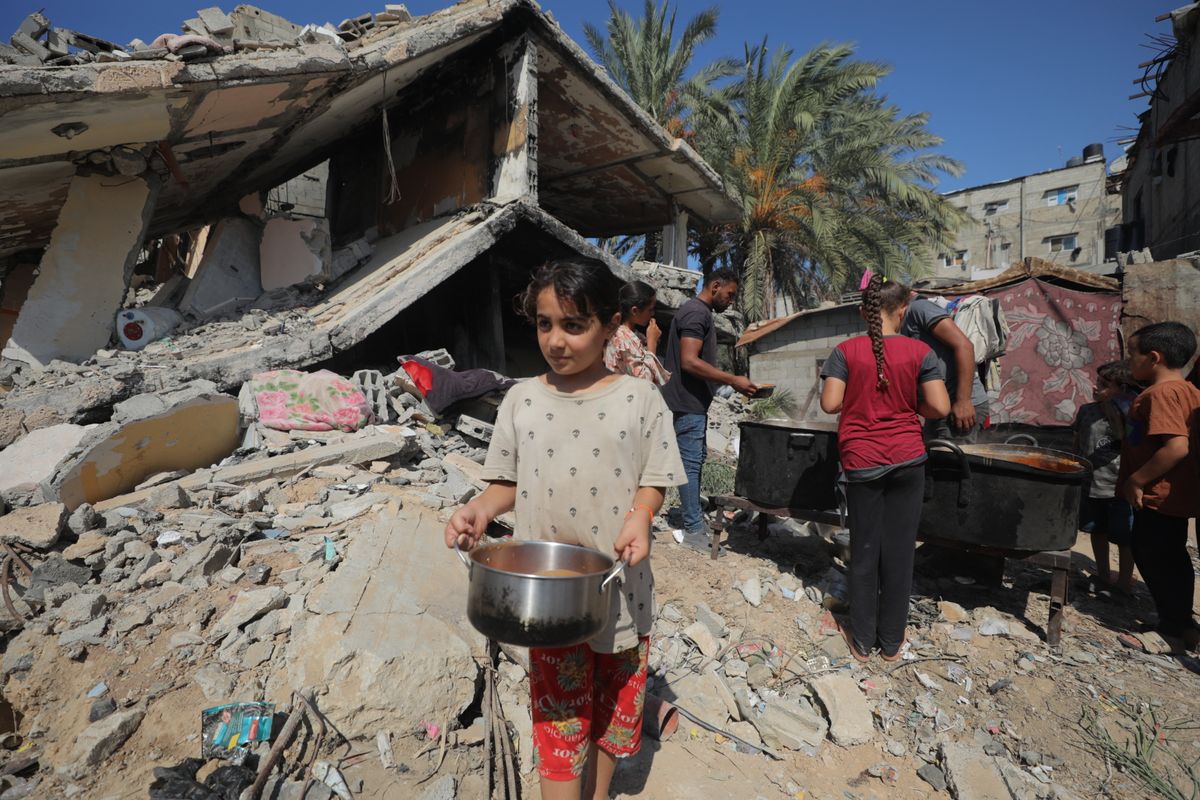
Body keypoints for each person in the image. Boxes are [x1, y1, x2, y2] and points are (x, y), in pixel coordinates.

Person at [443, 257, 685, 799]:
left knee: (612, 709)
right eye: (545, 324)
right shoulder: (522, 399)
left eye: (573, 326)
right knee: (557, 714)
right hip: (545, 596)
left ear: (611, 323)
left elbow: (655, 479)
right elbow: (507, 482)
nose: (556, 340)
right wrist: (480, 510)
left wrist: (640, 517)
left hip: (620, 589)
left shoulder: (639, 398)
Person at [820, 272, 950, 661]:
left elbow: (829, 404)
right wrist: (910, 409)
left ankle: (861, 640)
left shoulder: (845, 351)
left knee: (865, 549)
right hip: (909, 459)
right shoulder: (920, 352)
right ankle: (891, 643)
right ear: (904, 310)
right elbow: (940, 407)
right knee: (899, 552)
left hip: (862, 462)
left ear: (864, 312)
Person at [660, 267, 757, 552]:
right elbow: (689, 361)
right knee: (689, 464)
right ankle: (692, 531)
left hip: (691, 402)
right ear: (715, 286)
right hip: (687, 401)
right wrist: (732, 379)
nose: (731, 301)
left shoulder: (697, 312)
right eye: (730, 294)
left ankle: (693, 521)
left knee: (695, 459)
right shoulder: (696, 313)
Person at [1117, 321, 1200, 650]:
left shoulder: (1161, 394)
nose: (1129, 362)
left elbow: (1176, 447)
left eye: (1132, 355)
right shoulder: (1189, 391)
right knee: (1173, 558)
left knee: (1153, 555)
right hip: (1175, 495)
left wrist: (1137, 480)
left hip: (1159, 495)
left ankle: (1171, 631)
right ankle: (1184, 624)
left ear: (1154, 358)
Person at [1073, 360, 1139, 597]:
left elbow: (1131, 443)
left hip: (1117, 487)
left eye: (1104, 384)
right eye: (1098, 382)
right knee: (1096, 530)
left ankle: (1123, 583)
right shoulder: (1087, 411)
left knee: (1124, 537)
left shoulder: (1130, 415)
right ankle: (1102, 574)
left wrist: (1115, 410)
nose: (1096, 387)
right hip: (1091, 484)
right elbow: (1077, 439)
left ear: (1122, 389)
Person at [900, 292, 989, 441]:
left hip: (959, 406)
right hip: (940, 409)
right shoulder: (903, 321)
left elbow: (964, 346)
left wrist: (964, 401)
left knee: (951, 462)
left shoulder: (918, 308)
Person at [604, 280, 670, 385]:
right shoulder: (620, 338)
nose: (652, 314)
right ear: (634, 311)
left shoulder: (634, 335)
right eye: (650, 310)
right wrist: (652, 344)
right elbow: (643, 383)